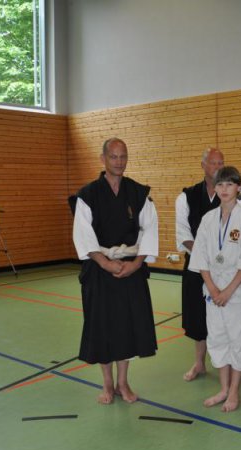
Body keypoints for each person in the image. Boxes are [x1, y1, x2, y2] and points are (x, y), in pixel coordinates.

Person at [71, 137, 158, 405]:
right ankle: (107, 383)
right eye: (114, 157)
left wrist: (136, 263)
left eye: (123, 157)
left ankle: (123, 382)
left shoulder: (138, 193)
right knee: (103, 325)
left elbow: (150, 230)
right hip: (100, 268)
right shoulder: (88, 195)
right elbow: (83, 235)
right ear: (103, 159)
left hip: (131, 266)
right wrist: (106, 263)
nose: (119, 162)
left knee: (127, 326)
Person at [188, 166, 241, 412]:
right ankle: (223, 389)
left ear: (239, 187)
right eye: (220, 184)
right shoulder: (208, 219)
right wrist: (212, 287)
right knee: (217, 338)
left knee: (238, 339)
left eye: (230, 184)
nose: (224, 189)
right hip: (213, 289)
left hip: (236, 291)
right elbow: (200, 256)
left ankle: (234, 392)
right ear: (215, 188)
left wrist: (227, 291)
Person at [175, 147, 241, 382]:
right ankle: (199, 363)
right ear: (203, 165)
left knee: (230, 322)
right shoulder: (186, 196)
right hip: (199, 266)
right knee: (198, 318)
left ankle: (231, 370)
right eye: (213, 163)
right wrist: (206, 258)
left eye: (221, 163)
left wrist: (218, 259)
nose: (217, 167)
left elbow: (240, 238)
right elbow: (183, 234)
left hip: (229, 272)